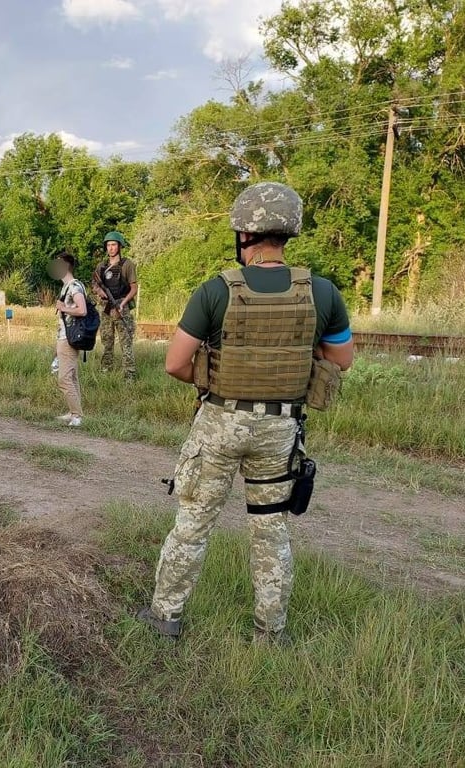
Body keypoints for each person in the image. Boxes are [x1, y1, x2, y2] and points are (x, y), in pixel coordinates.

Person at [137, 182, 354, 645]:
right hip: (280, 429)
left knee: (193, 522)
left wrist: (214, 376)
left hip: (220, 423)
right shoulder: (322, 292)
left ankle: (165, 617)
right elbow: (341, 360)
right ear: (287, 232)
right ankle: (269, 632)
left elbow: (175, 363)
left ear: (244, 234)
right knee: (271, 530)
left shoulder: (216, 291)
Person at [92, 231, 138, 379]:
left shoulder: (127, 265)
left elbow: (134, 288)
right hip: (105, 308)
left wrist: (123, 303)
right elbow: (95, 285)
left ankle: (129, 373)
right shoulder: (101, 266)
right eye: (108, 245)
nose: (111, 248)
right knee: (107, 340)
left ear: (119, 246)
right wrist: (100, 291)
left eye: (114, 245)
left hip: (121, 307)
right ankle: (106, 369)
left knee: (126, 342)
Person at [50, 251, 88, 428]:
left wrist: (63, 308)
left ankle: (77, 416)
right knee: (72, 377)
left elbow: (82, 310)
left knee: (64, 378)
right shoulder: (68, 287)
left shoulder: (74, 287)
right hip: (64, 337)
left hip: (69, 338)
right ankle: (74, 412)